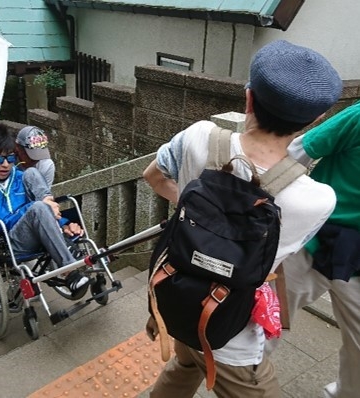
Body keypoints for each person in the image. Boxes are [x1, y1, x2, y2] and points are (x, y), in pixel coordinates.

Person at [142, 40, 342, 397]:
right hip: (229, 332)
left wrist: (196, 214)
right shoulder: (317, 199)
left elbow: (154, 176)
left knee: (186, 360)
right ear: (314, 120)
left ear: (248, 98)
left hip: (174, 291)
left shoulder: (197, 136)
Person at [280, 102, 360, 398]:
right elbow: (296, 153)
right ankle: (245, 380)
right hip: (310, 241)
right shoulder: (358, 117)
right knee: (267, 320)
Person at [0, 121, 89, 294]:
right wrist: (36, 208)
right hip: (5, 242)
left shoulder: (18, 176)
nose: (5, 164)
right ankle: (69, 269)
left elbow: (40, 210)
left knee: (32, 173)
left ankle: (58, 226)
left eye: (10, 158)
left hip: (33, 230)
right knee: (37, 207)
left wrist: (64, 223)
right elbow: (0, 223)